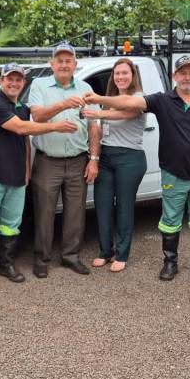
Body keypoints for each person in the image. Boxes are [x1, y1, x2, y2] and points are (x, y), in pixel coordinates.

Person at [85, 55, 190, 283]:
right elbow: (130, 105)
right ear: (175, 76)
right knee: (170, 219)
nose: (187, 77)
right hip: (173, 171)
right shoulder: (163, 100)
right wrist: (100, 101)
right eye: (182, 72)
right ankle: (170, 263)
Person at [0, 63, 78, 289]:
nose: (14, 83)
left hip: (17, 178)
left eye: (18, 80)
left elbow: (24, 139)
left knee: (11, 225)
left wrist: (27, 169)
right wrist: (55, 127)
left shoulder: (21, 106)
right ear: (1, 81)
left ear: (23, 83)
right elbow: (21, 128)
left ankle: (6, 265)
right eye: (10, 79)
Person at [27, 42, 101, 278]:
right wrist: (63, 104)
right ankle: (42, 259)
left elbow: (94, 125)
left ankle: (71, 257)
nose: (64, 64)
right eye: (59, 60)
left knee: (75, 213)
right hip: (48, 161)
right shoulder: (39, 85)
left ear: (75, 64)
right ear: (52, 64)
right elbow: (37, 116)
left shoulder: (86, 87)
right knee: (44, 212)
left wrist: (94, 159)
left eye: (68, 60)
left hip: (79, 160)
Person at [82, 58, 147, 273]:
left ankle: (121, 254)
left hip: (130, 158)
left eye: (125, 73)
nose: (120, 77)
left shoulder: (138, 98)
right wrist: (94, 157)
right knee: (103, 205)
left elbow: (126, 111)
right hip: (107, 157)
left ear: (133, 75)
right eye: (117, 73)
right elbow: (100, 128)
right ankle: (104, 251)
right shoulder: (109, 99)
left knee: (124, 207)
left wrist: (98, 110)